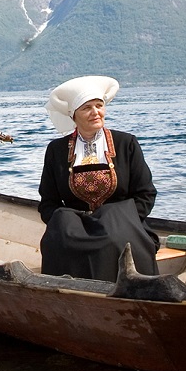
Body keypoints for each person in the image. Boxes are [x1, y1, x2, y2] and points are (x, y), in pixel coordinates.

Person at [37, 76, 159, 281]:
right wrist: (67, 224)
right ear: (74, 115)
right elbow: (48, 202)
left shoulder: (126, 143)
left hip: (122, 225)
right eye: (87, 108)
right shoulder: (56, 150)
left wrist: (120, 219)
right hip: (76, 229)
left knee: (113, 240)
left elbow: (145, 194)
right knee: (59, 239)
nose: (95, 112)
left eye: (99, 106)